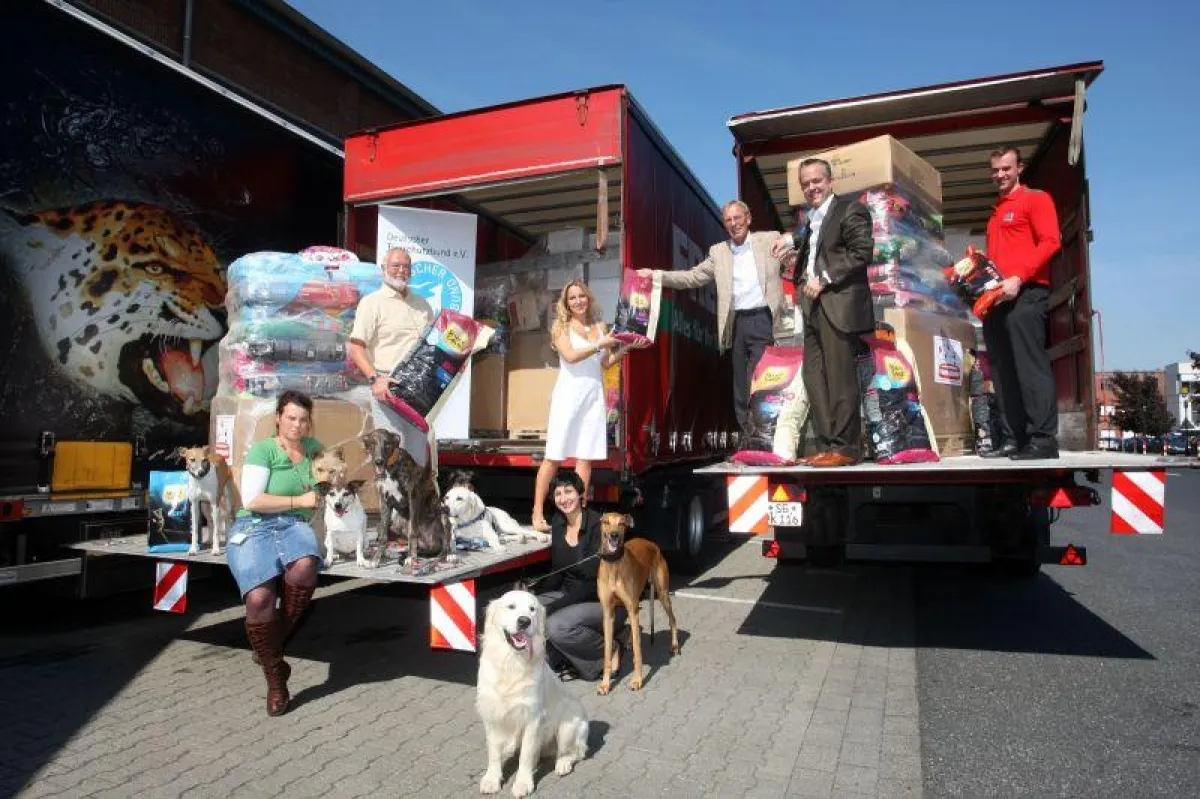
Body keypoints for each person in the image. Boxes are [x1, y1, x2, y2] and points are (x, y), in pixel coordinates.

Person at [637, 200, 787, 436]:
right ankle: (746, 436)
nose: (734, 223)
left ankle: (766, 435)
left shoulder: (769, 239)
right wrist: (656, 275)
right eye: (728, 220)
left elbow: (795, 256)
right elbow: (692, 277)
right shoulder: (719, 252)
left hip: (763, 319)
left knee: (759, 378)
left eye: (738, 218)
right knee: (739, 383)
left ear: (748, 218)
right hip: (736, 323)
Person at [771, 158, 875, 466]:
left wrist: (825, 278)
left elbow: (862, 252)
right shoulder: (812, 217)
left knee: (840, 377)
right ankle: (828, 444)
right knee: (814, 376)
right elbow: (810, 235)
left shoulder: (850, 209)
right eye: (806, 184)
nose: (812, 187)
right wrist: (790, 238)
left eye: (817, 181)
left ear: (830, 181)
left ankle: (846, 448)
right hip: (813, 307)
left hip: (838, 303)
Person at [225, 390, 323, 716]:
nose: (297, 424)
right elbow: (252, 500)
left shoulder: (313, 450)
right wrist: (301, 501)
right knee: (258, 600)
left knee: (306, 566)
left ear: (309, 423)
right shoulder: (262, 450)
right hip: (254, 525)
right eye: (291, 418)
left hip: (293, 526)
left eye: (303, 419)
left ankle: (270, 645)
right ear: (278, 417)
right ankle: (276, 675)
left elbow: (329, 480)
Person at [530, 279, 633, 531]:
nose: (578, 301)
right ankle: (537, 512)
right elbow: (571, 356)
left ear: (589, 298)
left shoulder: (599, 326)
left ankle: (579, 515)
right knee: (553, 457)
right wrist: (600, 344)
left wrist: (627, 347)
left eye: (581, 296)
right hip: (568, 398)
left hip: (592, 398)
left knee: (585, 459)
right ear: (566, 303)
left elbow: (605, 362)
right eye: (572, 298)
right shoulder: (560, 328)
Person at [980, 146, 1062, 460]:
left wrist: (1019, 276)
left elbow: (1051, 241)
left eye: (1006, 168)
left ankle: (1042, 440)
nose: (1000, 175)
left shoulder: (1035, 199)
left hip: (1026, 292)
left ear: (1020, 169)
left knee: (1030, 366)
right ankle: (1014, 439)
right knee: (1002, 370)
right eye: (995, 170)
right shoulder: (996, 212)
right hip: (997, 298)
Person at [348, 247, 437, 469]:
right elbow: (356, 347)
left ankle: (414, 504)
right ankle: (391, 505)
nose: (401, 271)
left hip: (419, 392)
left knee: (417, 460)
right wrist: (374, 379)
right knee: (392, 456)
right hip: (388, 388)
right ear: (384, 269)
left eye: (406, 266)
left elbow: (433, 345)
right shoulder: (372, 302)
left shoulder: (422, 305)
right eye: (395, 265)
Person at [535, 471, 625, 681]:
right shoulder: (558, 523)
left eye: (568, 491)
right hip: (572, 596)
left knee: (555, 626)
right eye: (558, 494)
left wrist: (551, 608)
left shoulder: (598, 526)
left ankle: (608, 651)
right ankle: (564, 658)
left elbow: (588, 586)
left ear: (580, 493)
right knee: (528, 612)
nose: (563, 498)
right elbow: (557, 571)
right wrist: (536, 593)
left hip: (603, 600)